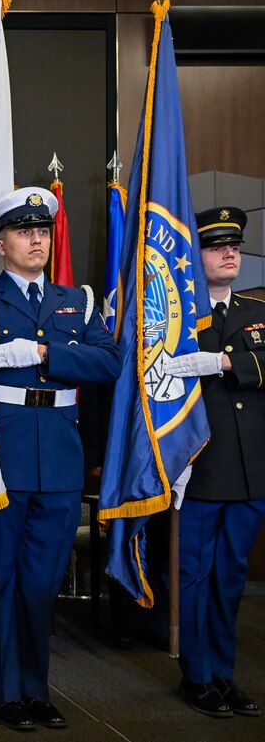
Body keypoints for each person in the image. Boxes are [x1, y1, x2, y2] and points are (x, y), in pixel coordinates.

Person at [0, 187, 119, 731]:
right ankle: (5, 691)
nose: (36, 239)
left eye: (42, 231)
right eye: (23, 231)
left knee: (42, 580)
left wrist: (43, 354)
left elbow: (108, 361)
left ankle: (36, 688)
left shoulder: (76, 301)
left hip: (59, 455)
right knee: (3, 577)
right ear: (0, 242)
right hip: (4, 451)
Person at [165, 206, 265, 719]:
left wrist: (226, 362)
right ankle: (198, 675)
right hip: (200, 466)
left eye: (235, 245)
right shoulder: (178, 315)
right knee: (195, 575)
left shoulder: (256, 310)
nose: (230, 253)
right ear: (194, 254)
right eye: (216, 245)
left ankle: (224, 674)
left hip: (251, 471)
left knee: (231, 578)